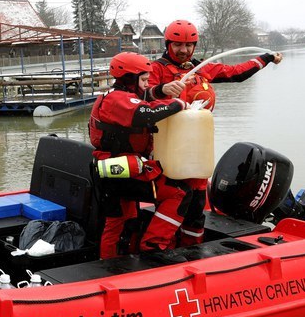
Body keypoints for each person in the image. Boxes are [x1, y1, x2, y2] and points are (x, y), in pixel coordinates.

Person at [143, 19, 283, 250]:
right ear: (168, 44)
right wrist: (160, 90)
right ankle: (157, 250)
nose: (184, 50)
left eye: (189, 45)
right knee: (176, 201)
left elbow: (236, 73)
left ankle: (192, 247)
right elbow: (140, 98)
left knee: (197, 204)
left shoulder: (200, 68)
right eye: (178, 45)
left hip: (197, 144)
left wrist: (265, 59)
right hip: (169, 146)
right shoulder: (156, 69)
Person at [89, 53, 186, 258]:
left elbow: (142, 99)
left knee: (123, 220)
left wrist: (161, 90)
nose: (145, 85)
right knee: (178, 193)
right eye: (143, 80)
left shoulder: (114, 95)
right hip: (119, 172)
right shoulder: (117, 100)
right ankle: (154, 246)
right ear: (129, 79)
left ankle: (116, 262)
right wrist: (179, 104)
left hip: (114, 170)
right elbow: (146, 114)